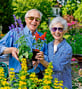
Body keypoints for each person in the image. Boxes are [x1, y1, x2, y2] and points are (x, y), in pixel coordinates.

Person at [0, 9, 47, 77]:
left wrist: (42, 58)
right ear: (25, 19)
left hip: (37, 75)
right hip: (18, 76)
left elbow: (47, 57)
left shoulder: (42, 37)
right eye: (31, 18)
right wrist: (11, 50)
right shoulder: (14, 33)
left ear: (39, 22)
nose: (34, 21)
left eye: (37, 19)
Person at [36, 16, 72, 89]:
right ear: (51, 30)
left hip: (62, 85)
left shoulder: (67, 48)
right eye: (54, 29)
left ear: (65, 31)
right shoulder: (49, 45)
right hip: (49, 85)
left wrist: (42, 61)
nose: (57, 32)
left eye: (60, 29)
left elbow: (57, 67)